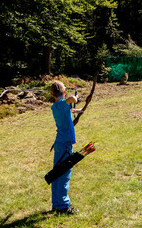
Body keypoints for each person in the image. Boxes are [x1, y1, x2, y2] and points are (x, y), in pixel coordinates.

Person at [50, 81, 82, 214]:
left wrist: (77, 110)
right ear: (63, 92)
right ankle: (63, 206)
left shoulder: (57, 107)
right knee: (64, 175)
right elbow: (71, 99)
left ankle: (56, 204)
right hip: (65, 144)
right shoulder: (61, 104)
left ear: (52, 94)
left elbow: (68, 108)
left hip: (60, 143)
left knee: (57, 174)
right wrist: (75, 98)